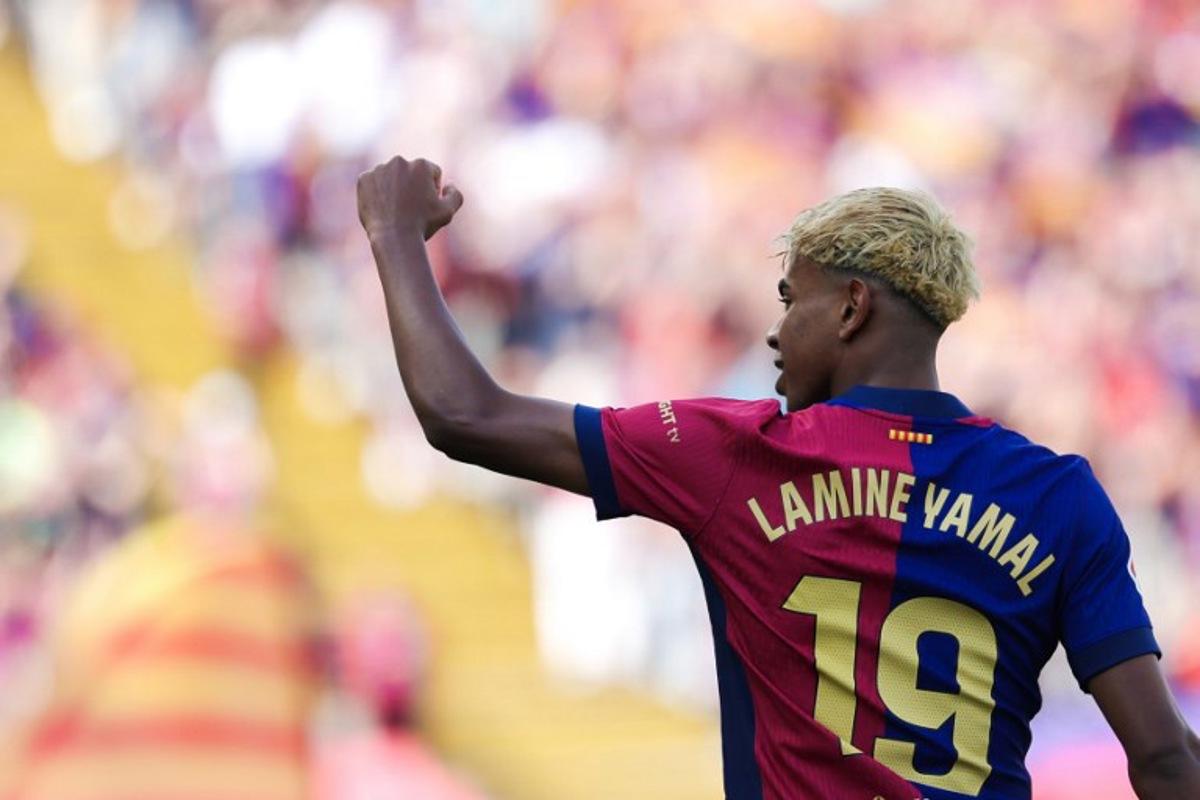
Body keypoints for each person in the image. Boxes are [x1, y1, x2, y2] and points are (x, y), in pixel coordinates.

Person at [355, 156, 1200, 800]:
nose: (775, 333)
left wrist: (394, 236)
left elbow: (465, 415)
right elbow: (1163, 756)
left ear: (850, 308)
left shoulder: (734, 452)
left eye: (791, 299)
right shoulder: (1058, 493)